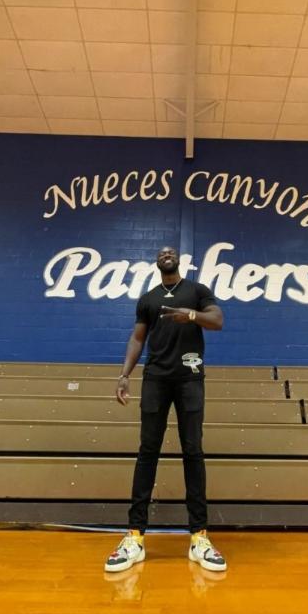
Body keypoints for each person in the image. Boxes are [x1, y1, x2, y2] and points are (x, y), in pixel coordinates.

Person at [105, 246, 227, 574]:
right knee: (147, 452)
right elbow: (136, 339)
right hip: (156, 379)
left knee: (193, 452)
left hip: (190, 379)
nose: (166, 254)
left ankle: (199, 536)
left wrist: (191, 315)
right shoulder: (148, 298)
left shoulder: (197, 291)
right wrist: (124, 375)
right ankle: (134, 536)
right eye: (161, 252)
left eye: (171, 251)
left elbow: (217, 320)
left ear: (179, 261)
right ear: (157, 263)